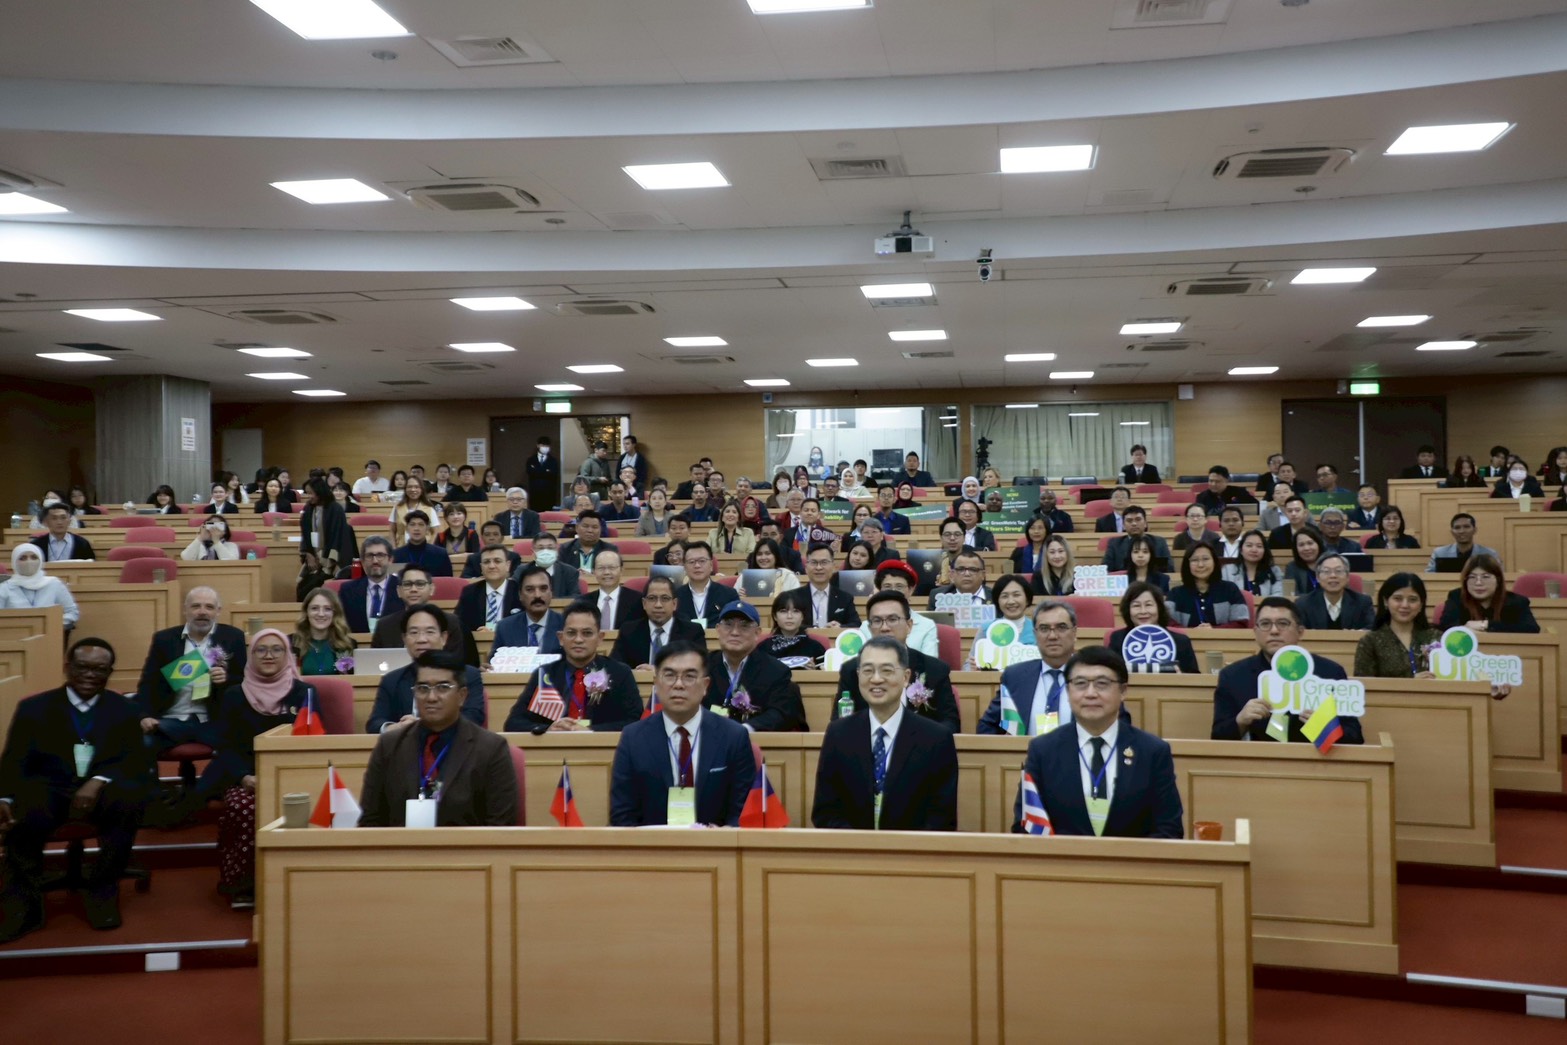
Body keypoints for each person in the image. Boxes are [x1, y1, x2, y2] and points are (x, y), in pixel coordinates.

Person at [0, 639, 149, 942]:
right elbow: (15, 759)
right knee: (23, 811)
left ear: (109, 672)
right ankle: (25, 908)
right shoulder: (34, 708)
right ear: (67, 667)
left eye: (100, 669)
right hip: (50, 787)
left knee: (129, 798)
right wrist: (4, 796)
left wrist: (99, 780)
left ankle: (103, 892)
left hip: (104, 790)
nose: (90, 675)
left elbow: (134, 761)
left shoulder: (125, 709)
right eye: (83, 667)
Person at [199, 630, 319, 907]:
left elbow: (315, 740)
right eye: (261, 650)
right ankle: (244, 884)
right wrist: (244, 777)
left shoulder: (305, 693)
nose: (269, 656)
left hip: (295, 776)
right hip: (246, 777)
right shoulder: (233, 694)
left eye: (277, 649)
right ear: (250, 656)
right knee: (243, 808)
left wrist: (293, 777)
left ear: (288, 655)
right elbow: (225, 747)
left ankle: (302, 881)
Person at [1013, 647, 1182, 838]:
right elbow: (1025, 827)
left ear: (1123, 691)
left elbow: (1169, 828)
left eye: (1102, 684)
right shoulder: (1043, 750)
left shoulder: (1152, 752)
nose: (1091, 693)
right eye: (1080, 684)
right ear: (1068, 691)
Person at [358, 650, 518, 827]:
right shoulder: (389, 745)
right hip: (400, 844)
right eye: (423, 688)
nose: (431, 697)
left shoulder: (491, 749)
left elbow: (501, 827)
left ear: (462, 696)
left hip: (468, 844)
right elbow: (369, 821)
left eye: (442, 688)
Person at [812, 636, 957, 831]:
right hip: (850, 847)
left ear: (905, 677)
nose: (876, 679)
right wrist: (859, 845)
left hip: (914, 848)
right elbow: (825, 812)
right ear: (858, 675)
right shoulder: (839, 734)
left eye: (887, 670)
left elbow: (942, 817)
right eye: (868, 670)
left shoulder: (936, 738)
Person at [610, 643, 756, 827]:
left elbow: (743, 810)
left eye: (689, 676)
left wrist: (725, 833)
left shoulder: (733, 736)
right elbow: (622, 814)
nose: (678, 684)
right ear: (656, 683)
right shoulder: (633, 738)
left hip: (715, 843)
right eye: (670, 675)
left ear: (705, 685)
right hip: (651, 843)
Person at [1211, 597, 1364, 744]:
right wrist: (1240, 721)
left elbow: (1355, 737)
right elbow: (1217, 737)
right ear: (1255, 632)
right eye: (1265, 624)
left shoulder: (1330, 673)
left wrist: (1326, 728)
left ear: (1300, 631)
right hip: (1258, 759)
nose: (1274, 631)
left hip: (1314, 759)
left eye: (1283, 624)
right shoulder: (1233, 676)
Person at [134, 586, 248, 758]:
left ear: (218, 611)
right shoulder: (165, 639)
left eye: (209, 607)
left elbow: (245, 681)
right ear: (185, 610)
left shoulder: (232, 637)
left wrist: (226, 679)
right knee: (141, 744)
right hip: (170, 720)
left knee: (240, 747)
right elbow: (149, 683)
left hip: (213, 722)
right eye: (196, 606)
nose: (202, 612)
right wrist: (144, 716)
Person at [505, 601, 643, 732]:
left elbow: (635, 722)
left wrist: (591, 731)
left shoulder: (619, 673)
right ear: (561, 638)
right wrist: (548, 729)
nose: (578, 639)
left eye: (587, 633)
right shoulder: (546, 674)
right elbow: (513, 723)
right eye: (571, 633)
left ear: (600, 638)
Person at [834, 591, 960, 731]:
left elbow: (951, 724)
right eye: (877, 621)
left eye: (892, 619)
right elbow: (839, 723)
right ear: (869, 628)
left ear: (909, 625)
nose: (885, 628)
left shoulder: (934, 669)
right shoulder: (851, 670)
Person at [978, 601, 1111, 734]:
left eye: (1061, 627)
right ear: (1035, 634)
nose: (1052, 636)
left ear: (1074, 632)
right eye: (1044, 628)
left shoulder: (1096, 676)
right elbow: (987, 726)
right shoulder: (1015, 676)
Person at [366, 605, 487, 733]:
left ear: (444, 638)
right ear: (404, 639)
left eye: (430, 632)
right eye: (414, 633)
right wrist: (396, 727)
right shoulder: (392, 680)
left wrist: (422, 726)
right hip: (405, 743)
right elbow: (375, 723)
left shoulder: (468, 675)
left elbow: (473, 718)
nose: (421, 639)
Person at [703, 602, 805, 730]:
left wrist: (745, 730)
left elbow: (780, 714)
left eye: (744, 626)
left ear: (757, 633)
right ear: (718, 630)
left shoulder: (776, 671)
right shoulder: (702, 667)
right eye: (728, 625)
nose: (735, 632)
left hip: (755, 738)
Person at [611, 576, 707, 671]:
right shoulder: (628, 631)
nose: (658, 605)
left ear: (674, 604)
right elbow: (615, 668)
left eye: (664, 598)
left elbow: (701, 669)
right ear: (644, 604)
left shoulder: (692, 632)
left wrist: (658, 670)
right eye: (652, 598)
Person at [1355, 574, 1442, 679]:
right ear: (1386, 601)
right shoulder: (1370, 641)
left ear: (1421, 605)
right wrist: (1411, 682)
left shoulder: (1437, 638)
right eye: (1398, 599)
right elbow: (1364, 684)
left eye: (1412, 600)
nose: (1405, 605)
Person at [850, 561, 939, 657]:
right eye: (887, 586)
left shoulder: (926, 626)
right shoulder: (866, 626)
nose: (893, 592)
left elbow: (929, 662)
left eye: (899, 587)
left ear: (911, 589)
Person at [1108, 583, 1200, 673]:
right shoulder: (1117, 639)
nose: (1143, 611)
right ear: (1128, 610)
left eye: (1148, 605)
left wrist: (1181, 677)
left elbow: (1195, 677)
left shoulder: (1181, 642)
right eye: (1136, 605)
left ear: (1159, 608)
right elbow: (1109, 673)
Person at [1436, 554, 1540, 633]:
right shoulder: (1456, 597)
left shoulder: (1517, 601)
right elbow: (1444, 628)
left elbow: (1531, 628)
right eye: (1472, 577)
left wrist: (1486, 625)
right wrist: (1464, 629)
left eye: (1485, 577)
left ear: (1498, 580)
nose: (1478, 583)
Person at [1167, 544, 1249, 628]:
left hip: (1223, 637)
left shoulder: (1230, 589)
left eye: (1205, 559)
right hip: (1184, 636)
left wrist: (1214, 631)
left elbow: (1241, 622)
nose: (1200, 565)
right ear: (1187, 564)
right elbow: (1165, 621)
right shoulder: (1175, 593)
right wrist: (1191, 632)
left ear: (1214, 562)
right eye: (1194, 560)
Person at [0, 545, 81, 627]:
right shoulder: (5, 587)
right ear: (14, 562)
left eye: (34, 557)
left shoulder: (54, 583)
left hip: (51, 631)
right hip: (17, 632)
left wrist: (52, 624)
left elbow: (72, 612)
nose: (29, 562)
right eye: (23, 558)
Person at [490, 566, 564, 655]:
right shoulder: (505, 627)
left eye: (543, 589)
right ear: (520, 595)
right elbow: (494, 660)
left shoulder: (565, 625)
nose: (537, 595)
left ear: (551, 592)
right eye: (530, 590)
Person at [969, 574, 1037, 668]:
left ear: (1027, 599)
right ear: (997, 601)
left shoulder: (1038, 629)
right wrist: (973, 668)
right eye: (1004, 596)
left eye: (1016, 595)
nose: (1011, 601)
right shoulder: (986, 629)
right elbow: (968, 666)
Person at [340, 536, 404, 634]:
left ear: (390, 560)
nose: (375, 561)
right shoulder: (347, 590)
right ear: (362, 561)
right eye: (369, 556)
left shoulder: (402, 588)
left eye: (380, 555)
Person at [299, 477, 356, 586]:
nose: (309, 496)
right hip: (313, 556)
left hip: (331, 560)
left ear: (320, 492)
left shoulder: (335, 509)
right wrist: (308, 554)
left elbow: (337, 537)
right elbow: (305, 534)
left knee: (315, 584)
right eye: (307, 493)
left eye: (311, 493)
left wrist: (324, 559)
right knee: (302, 586)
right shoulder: (308, 508)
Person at [1295, 553, 1374, 629]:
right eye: (1326, 571)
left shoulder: (1362, 602)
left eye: (1338, 571)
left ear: (1347, 577)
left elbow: (1372, 628)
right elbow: (1298, 630)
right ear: (1317, 577)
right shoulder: (1303, 604)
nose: (1333, 575)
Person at [456, 545, 524, 633]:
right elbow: (459, 625)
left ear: (508, 565)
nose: (491, 566)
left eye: (497, 561)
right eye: (486, 562)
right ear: (481, 567)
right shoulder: (470, 592)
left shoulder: (520, 591)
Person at [672, 541, 739, 627]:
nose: (697, 565)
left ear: (711, 565)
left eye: (702, 561)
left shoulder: (729, 595)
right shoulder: (675, 596)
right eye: (691, 562)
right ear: (684, 567)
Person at [292, 587, 357, 674]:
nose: (321, 614)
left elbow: (351, 679)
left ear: (335, 613)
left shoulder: (348, 645)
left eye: (327, 609)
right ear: (306, 612)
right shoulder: (291, 643)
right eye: (315, 608)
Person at [757, 588, 827, 667]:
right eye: (783, 611)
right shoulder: (763, 648)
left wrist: (813, 671)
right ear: (775, 616)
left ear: (802, 616)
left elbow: (826, 673)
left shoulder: (815, 647)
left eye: (795, 611)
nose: (789, 616)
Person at [796, 543, 857, 628]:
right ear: (806, 568)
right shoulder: (794, 597)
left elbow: (856, 624)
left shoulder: (845, 598)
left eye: (824, 562)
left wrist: (840, 627)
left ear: (833, 566)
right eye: (814, 562)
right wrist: (814, 630)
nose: (819, 567)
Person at [513, 531, 581, 598]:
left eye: (550, 548)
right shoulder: (521, 571)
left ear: (557, 550)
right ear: (533, 551)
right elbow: (513, 596)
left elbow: (575, 597)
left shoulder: (570, 572)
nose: (545, 552)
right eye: (541, 548)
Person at [1101, 507, 1171, 572]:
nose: (1134, 524)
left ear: (1145, 523)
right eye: (1129, 520)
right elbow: (1105, 570)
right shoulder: (1115, 544)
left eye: (1138, 519)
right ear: (1123, 526)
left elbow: (1170, 569)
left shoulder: (1159, 542)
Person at [589, 549, 643, 630]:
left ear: (621, 570)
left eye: (612, 567)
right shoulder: (584, 602)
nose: (606, 572)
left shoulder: (637, 600)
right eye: (601, 568)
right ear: (594, 572)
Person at [1426, 513, 1498, 573]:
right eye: (1457, 528)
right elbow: (1429, 577)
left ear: (1475, 530)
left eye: (1466, 527)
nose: (1462, 531)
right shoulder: (1439, 553)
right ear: (1452, 532)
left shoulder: (1489, 554)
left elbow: (1499, 576)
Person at [1223, 529, 1284, 597]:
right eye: (1249, 545)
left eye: (1259, 546)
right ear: (1241, 550)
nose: (1254, 550)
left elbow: (1277, 595)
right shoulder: (1227, 571)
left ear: (1265, 550)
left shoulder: (1274, 571)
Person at [391, 511, 454, 577]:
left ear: (427, 528)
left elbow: (447, 580)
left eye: (421, 525)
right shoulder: (396, 555)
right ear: (406, 528)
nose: (416, 529)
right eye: (412, 524)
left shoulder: (441, 554)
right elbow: (393, 581)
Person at [29, 502, 95, 561]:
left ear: (69, 521)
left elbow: (90, 565)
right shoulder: (36, 545)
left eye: (63, 518)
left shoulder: (82, 543)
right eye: (54, 518)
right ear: (46, 522)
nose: (59, 522)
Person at [389, 476, 441, 545]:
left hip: (423, 548)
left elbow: (435, 532)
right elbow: (392, 531)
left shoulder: (429, 509)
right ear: (405, 489)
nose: (413, 490)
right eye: (409, 487)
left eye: (416, 487)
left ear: (421, 489)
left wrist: (429, 548)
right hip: (402, 547)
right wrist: (394, 548)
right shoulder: (397, 507)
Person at [1284, 526, 1326, 594]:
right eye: (1301, 545)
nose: (1306, 548)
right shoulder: (1292, 568)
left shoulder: (1330, 563)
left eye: (1310, 543)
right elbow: (1290, 594)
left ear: (1318, 544)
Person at [525, 437, 561, 511]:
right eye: (543, 445)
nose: (545, 448)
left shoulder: (553, 461)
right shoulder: (531, 460)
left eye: (547, 446)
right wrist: (546, 471)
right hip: (534, 494)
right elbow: (530, 473)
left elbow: (553, 474)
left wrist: (537, 472)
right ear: (538, 445)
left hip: (549, 495)